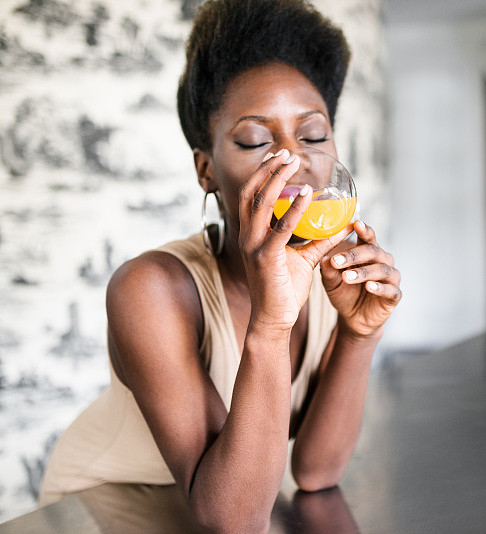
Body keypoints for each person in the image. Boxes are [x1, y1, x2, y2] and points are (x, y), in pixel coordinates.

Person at [38, 0, 401, 532]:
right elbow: (232, 518)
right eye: (256, 140)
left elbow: (317, 472)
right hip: (100, 512)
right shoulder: (151, 289)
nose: (293, 160)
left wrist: (359, 334)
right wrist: (272, 324)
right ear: (206, 169)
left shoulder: (329, 275)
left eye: (314, 135)